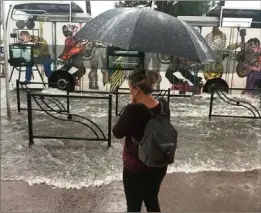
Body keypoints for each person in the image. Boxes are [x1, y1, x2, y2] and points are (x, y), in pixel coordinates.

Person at [112, 68, 170, 212]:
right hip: (159, 163)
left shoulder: (133, 110)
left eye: (130, 87)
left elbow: (117, 132)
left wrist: (132, 105)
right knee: (151, 199)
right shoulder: (163, 106)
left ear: (137, 88)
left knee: (133, 206)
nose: (129, 90)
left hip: (136, 166)